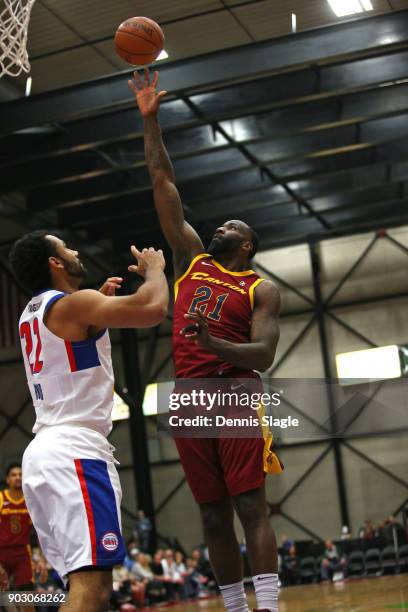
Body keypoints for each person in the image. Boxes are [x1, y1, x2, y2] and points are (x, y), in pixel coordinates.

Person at [129, 68, 282, 612]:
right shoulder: (189, 258)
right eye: (220, 226)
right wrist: (151, 123)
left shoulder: (258, 288)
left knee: (250, 505)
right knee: (212, 512)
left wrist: (215, 345)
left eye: (232, 229)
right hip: (190, 393)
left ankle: (267, 604)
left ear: (247, 246)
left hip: (234, 387)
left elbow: (264, 354)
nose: (220, 228)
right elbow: (162, 182)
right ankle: (234, 606)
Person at [9, 231, 168, 612]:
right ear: (55, 263)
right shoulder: (72, 306)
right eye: (67, 248)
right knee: (92, 589)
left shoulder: (35, 312)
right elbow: (154, 309)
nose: (75, 250)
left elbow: (75, 347)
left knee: (86, 588)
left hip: (48, 453)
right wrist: (156, 270)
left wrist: (98, 310)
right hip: (74, 453)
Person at [0, 463, 47, 612]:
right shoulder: (1, 498)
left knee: (28, 603)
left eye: (20, 474)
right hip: (1, 553)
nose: (18, 477)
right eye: (13, 475)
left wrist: (43, 560)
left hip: (22, 555)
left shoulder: (30, 501)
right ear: (7, 479)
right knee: (5, 602)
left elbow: (41, 531)